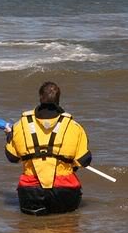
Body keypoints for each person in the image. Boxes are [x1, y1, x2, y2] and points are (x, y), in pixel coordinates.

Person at [5, 82, 92, 216]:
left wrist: (10, 138)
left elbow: (12, 157)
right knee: (64, 229)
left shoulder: (20, 125)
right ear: (58, 99)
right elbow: (85, 161)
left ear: (40, 97)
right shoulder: (74, 126)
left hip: (30, 191)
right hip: (65, 191)